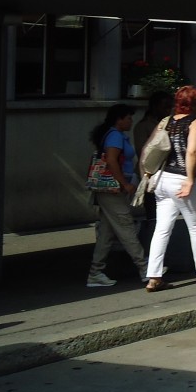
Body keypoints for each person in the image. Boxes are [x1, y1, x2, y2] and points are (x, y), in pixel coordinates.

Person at [145, 85, 196, 291]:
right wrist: (189, 179)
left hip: (163, 179)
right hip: (183, 178)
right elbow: (193, 151)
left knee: (162, 229)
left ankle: (154, 276)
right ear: (195, 104)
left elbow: (150, 148)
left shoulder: (166, 122)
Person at [86, 104, 148, 287]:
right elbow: (112, 161)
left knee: (107, 233)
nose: (131, 121)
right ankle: (145, 268)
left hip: (108, 189)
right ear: (119, 119)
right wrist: (125, 184)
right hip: (113, 190)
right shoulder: (115, 136)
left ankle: (95, 272)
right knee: (126, 226)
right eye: (128, 117)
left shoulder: (114, 135)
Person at [132, 90, 174, 248]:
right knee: (153, 214)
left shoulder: (168, 123)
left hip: (167, 174)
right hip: (152, 175)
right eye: (164, 107)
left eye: (170, 107)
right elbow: (143, 153)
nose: (168, 110)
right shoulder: (144, 126)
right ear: (155, 107)